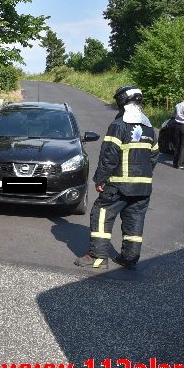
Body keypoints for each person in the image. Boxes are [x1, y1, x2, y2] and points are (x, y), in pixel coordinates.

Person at [75, 85, 159, 270]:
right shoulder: (149, 128)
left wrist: (100, 180)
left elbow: (108, 156)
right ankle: (129, 258)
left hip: (119, 185)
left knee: (101, 213)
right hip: (143, 187)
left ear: (122, 102)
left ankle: (97, 257)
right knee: (134, 220)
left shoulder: (118, 126)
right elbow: (153, 157)